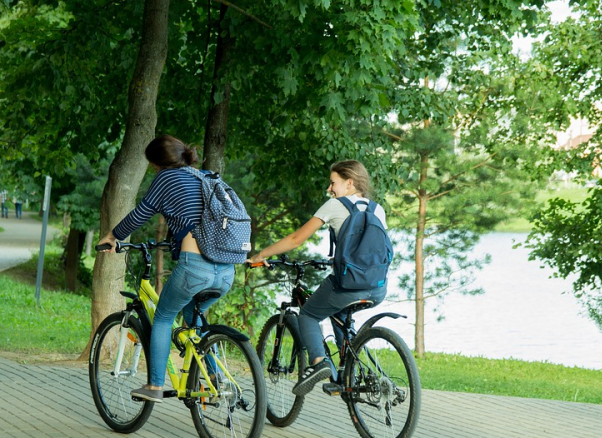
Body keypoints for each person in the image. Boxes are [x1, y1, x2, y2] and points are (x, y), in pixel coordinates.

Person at [97, 135, 236, 403]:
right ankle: (214, 377)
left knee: (162, 318)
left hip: (195, 268)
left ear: (157, 162)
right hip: (227, 270)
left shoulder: (166, 178)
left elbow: (141, 213)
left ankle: (155, 386)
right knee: (193, 317)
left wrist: (112, 236)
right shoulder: (204, 176)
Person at [247, 160, 389, 397]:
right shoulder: (378, 209)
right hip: (377, 288)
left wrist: (260, 255)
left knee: (310, 314)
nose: (330, 188)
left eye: (333, 182)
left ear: (349, 183)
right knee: (339, 313)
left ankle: (320, 362)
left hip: (348, 286)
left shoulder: (334, 206)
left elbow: (295, 239)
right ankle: (347, 377)